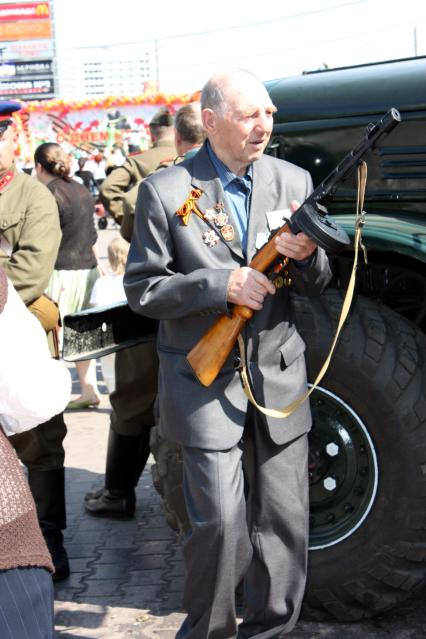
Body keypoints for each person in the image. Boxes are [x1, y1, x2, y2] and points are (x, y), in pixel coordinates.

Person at [124, 70, 332, 638]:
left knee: (286, 524)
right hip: (204, 384)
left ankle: (272, 631)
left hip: (278, 380)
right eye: (248, 115)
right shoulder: (164, 191)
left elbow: (318, 282)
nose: (263, 125)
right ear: (211, 121)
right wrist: (221, 287)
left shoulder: (292, 179)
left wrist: (308, 254)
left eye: (268, 113)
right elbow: (143, 289)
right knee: (219, 525)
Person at [84, 103, 203, 519]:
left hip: (159, 305)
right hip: (218, 306)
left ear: (176, 137)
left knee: (132, 399)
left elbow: (131, 213)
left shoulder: (158, 180)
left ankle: (118, 494)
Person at [0, 101, 71, 581]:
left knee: (41, 442)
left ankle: (49, 541)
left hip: (16, 331)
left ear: (11, 140)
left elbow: (31, 271)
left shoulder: (32, 197)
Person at [34, 142, 102, 410]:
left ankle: (51, 395)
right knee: (83, 335)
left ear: (39, 167)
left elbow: (43, 238)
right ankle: (88, 389)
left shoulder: (47, 194)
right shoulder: (81, 189)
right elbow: (92, 233)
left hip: (60, 272)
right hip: (88, 269)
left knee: (52, 337)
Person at [100, 107, 176, 225]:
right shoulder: (192, 155)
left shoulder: (137, 159)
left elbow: (107, 188)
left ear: (151, 133)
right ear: (177, 131)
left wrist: (128, 221)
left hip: (149, 226)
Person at [89, 235, 129, 393]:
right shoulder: (133, 281)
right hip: (129, 333)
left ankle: (114, 397)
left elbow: (96, 309)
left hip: (107, 335)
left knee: (110, 371)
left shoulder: (102, 283)